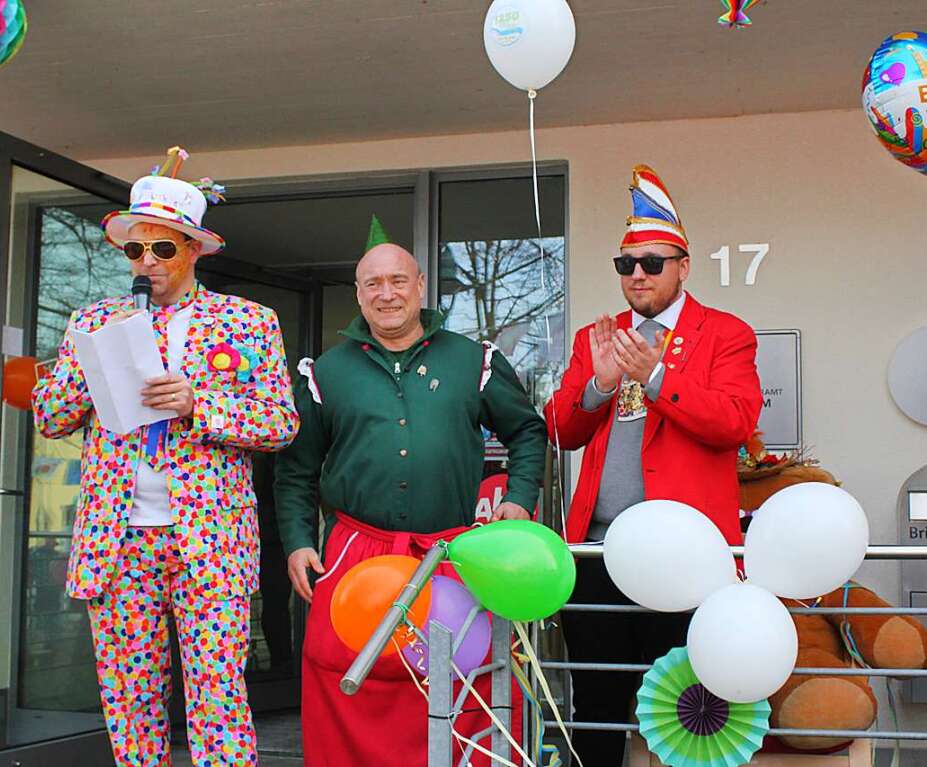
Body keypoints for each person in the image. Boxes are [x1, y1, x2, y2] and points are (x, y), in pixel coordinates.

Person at [31, 148, 299, 767]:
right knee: (130, 701)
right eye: (135, 250)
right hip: (119, 540)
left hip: (211, 537)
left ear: (195, 250)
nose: (147, 261)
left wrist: (197, 404)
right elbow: (50, 417)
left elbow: (282, 423)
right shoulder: (92, 321)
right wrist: (89, 358)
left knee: (218, 696)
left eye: (163, 249)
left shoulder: (248, 322)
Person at [274, 216, 548, 766]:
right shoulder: (326, 372)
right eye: (373, 284)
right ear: (358, 293)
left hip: (451, 554)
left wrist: (518, 499)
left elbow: (527, 430)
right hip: (355, 553)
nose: (387, 293)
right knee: (344, 669)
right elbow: (296, 470)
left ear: (421, 286)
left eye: (398, 281)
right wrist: (299, 541)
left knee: (466, 674)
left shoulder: (474, 360)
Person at [545, 165, 763, 765]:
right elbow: (561, 429)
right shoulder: (602, 334)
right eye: (626, 264)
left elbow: (734, 423)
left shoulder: (725, 334)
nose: (637, 275)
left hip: (684, 555)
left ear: (683, 266)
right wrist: (598, 384)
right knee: (596, 701)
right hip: (596, 552)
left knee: (688, 705)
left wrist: (655, 378)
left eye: (652, 263)